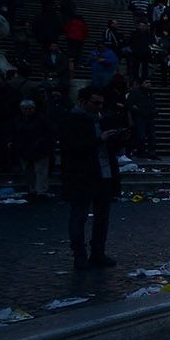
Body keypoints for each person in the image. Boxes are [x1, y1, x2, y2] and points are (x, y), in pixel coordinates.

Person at [60, 87, 120, 270]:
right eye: (95, 103)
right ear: (82, 101)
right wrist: (99, 140)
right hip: (82, 176)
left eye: (101, 103)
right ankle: (80, 255)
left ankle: (98, 252)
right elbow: (72, 148)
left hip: (104, 173)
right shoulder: (71, 121)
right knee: (79, 216)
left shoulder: (102, 119)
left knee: (102, 217)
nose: (99, 106)